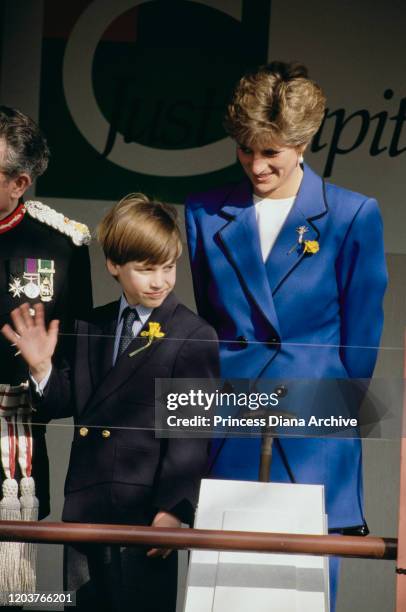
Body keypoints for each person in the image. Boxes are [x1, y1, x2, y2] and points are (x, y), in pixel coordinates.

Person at [185, 61, 387, 611]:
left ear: (302, 143)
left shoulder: (352, 215)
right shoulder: (203, 212)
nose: (256, 164)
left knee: (306, 592)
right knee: (223, 591)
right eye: (246, 149)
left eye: (270, 151)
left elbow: (362, 343)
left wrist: (330, 416)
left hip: (316, 429)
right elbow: (213, 325)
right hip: (230, 421)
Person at [2, 193, 220, 612]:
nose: (160, 280)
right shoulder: (90, 325)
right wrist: (42, 368)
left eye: (169, 267)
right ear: (114, 266)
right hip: (86, 505)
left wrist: (173, 509)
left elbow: (189, 437)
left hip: (146, 516)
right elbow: (64, 401)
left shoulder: (193, 334)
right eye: (146, 269)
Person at [0, 105, 92, 602]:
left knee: (9, 590)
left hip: (14, 447)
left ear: (20, 182)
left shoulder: (62, 246)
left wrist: (40, 372)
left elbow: (76, 371)